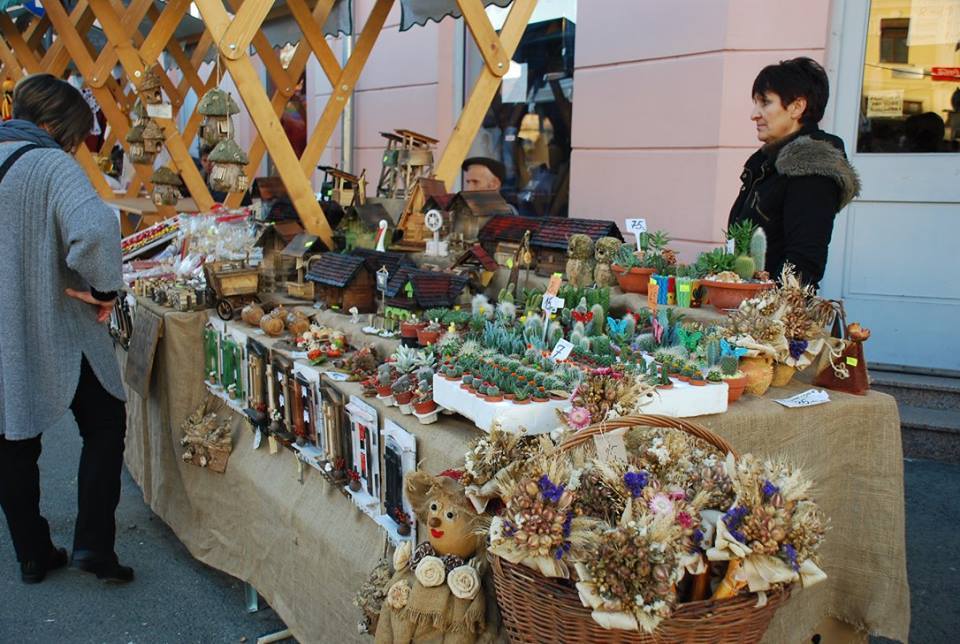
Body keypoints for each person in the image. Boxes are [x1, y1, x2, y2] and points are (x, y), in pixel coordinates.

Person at [0, 74, 132, 584]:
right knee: (104, 424)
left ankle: (32, 553)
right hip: (61, 323)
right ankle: (93, 545)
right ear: (56, 126)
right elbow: (95, 229)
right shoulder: (51, 164)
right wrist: (104, 289)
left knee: (11, 437)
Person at [728, 57, 860, 288]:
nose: (754, 114)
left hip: (770, 308)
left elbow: (804, 263)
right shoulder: (766, 165)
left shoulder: (811, 169)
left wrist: (765, 306)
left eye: (765, 103)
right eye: (755, 103)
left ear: (797, 107)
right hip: (746, 302)